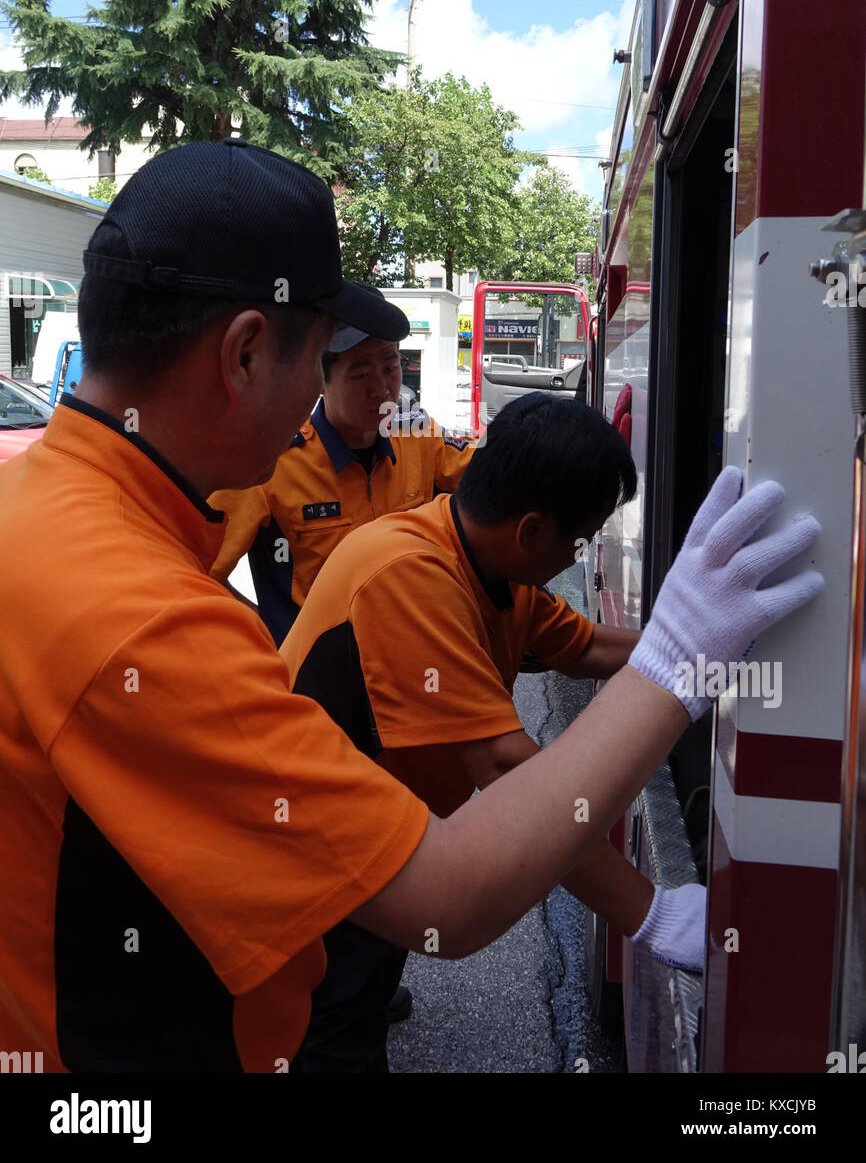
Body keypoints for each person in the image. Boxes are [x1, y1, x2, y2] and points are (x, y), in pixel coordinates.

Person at [0, 139, 823, 1073]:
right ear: (244, 353)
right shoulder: (147, 619)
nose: (356, 397)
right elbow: (446, 894)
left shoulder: (41, 511)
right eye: (322, 363)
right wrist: (679, 661)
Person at [280, 391, 693, 1070]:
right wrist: (650, 912)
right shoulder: (410, 574)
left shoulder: (488, 558)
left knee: (365, 988)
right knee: (330, 1022)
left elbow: (583, 647)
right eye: (579, 539)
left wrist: (686, 649)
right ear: (532, 531)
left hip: (386, 836)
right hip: (315, 855)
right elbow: (509, 775)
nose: (578, 556)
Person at [209, 288, 475, 646]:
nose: (382, 389)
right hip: (312, 679)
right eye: (361, 375)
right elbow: (197, 570)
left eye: (391, 365)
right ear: (319, 378)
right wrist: (258, 635)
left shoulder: (418, 436)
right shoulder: (271, 460)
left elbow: (491, 476)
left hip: (409, 653)